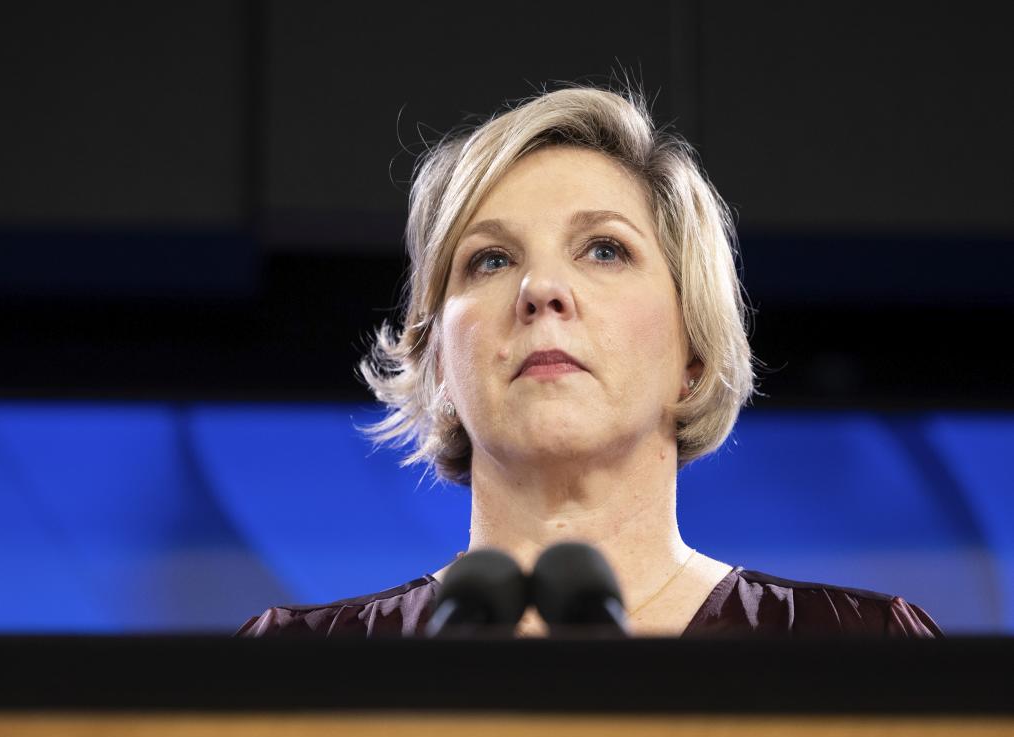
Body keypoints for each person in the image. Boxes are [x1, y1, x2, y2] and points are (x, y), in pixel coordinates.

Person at [238, 85, 942, 639]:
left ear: (692, 352)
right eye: (491, 259)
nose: (541, 290)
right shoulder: (288, 671)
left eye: (604, 249)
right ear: (438, 365)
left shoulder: (866, 652)